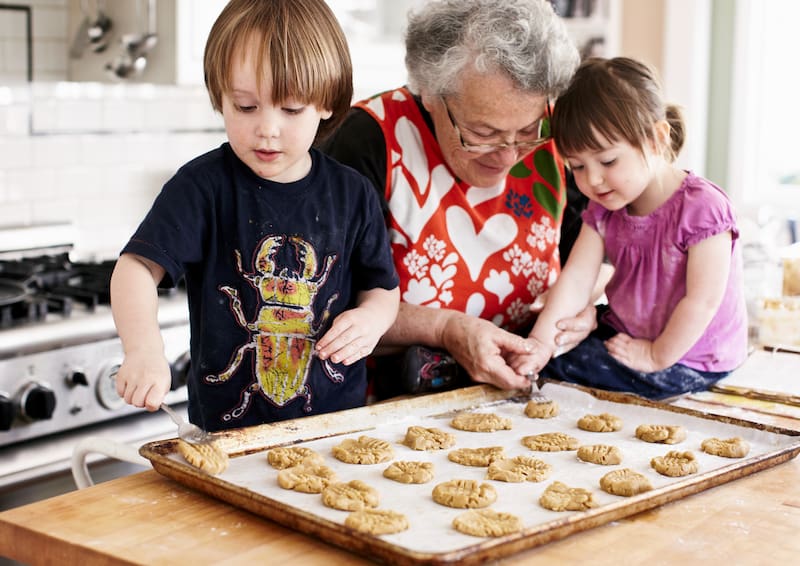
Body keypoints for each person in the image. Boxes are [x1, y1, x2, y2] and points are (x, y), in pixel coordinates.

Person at [110, 0, 400, 432]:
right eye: (245, 107)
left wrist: (372, 319)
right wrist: (143, 349)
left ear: (325, 103)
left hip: (335, 431)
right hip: (225, 437)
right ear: (219, 98)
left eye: (291, 109)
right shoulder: (202, 188)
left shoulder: (353, 193)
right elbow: (134, 268)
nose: (267, 128)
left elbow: (382, 288)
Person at [319, 0, 599, 398]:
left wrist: (582, 311)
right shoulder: (368, 140)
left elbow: (597, 253)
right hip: (391, 404)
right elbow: (329, 306)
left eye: (525, 131)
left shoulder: (557, 136)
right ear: (430, 91)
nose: (507, 155)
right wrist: (446, 329)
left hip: (531, 395)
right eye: (482, 132)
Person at [513, 56, 748, 399]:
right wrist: (540, 343)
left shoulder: (702, 208)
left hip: (690, 356)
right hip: (631, 332)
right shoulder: (605, 209)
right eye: (577, 167)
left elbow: (703, 301)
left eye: (608, 161)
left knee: (566, 370)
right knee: (545, 349)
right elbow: (577, 279)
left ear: (656, 139)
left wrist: (655, 355)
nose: (592, 180)